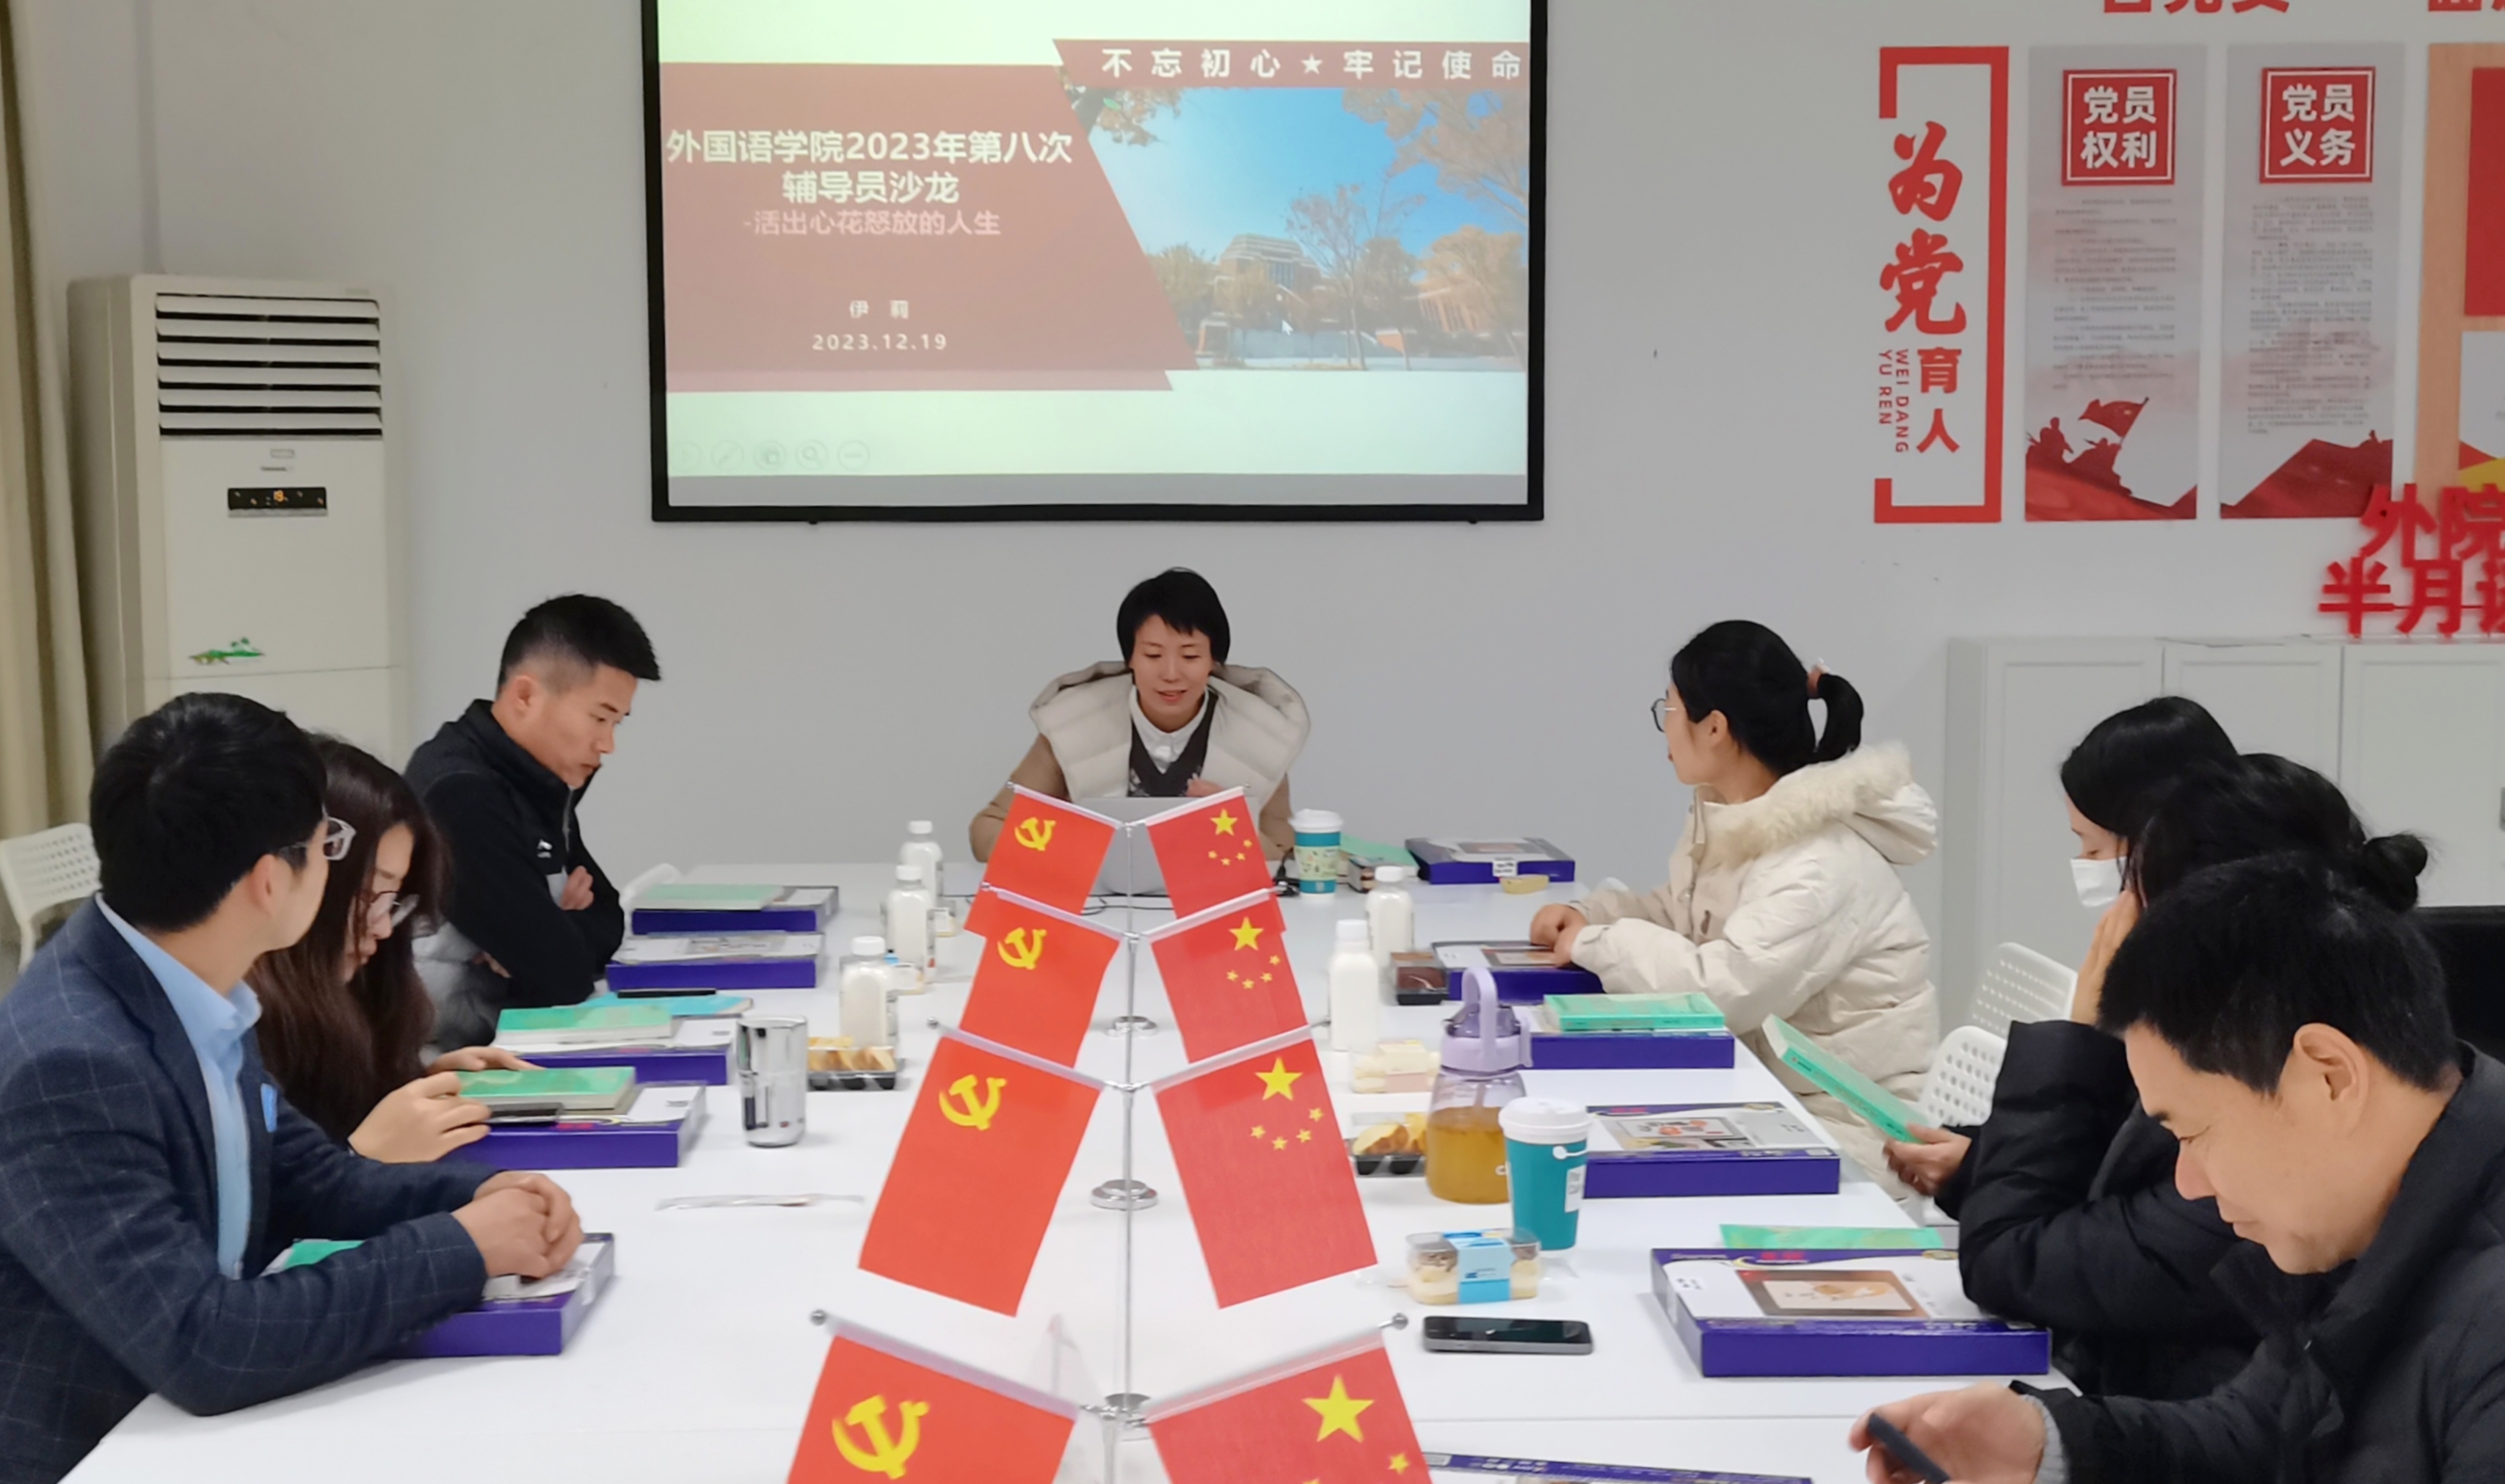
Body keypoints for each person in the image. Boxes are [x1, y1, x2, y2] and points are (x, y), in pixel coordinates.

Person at [0, 693, 583, 1484]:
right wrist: (464, 1247)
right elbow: (201, 1344)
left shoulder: (187, 978)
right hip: (103, 1450)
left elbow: (310, 1179)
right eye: (327, 841)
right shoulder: (72, 1062)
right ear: (271, 882)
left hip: (189, 1428)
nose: (334, 862)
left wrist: (482, 1193)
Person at [1853, 853, 2505, 1484]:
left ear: (2328, 1077)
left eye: (2193, 1135)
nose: (2190, 1184)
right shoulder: (2359, 1216)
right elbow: (2257, 1433)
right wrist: (2052, 1445)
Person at [1897, 756, 2424, 1402]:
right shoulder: (2246, 1062)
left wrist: (2082, 1032)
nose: (2117, 917)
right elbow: (2109, 1196)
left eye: (2131, 884)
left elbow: (2012, 1260)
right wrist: (1982, 1167)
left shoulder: (2268, 1128)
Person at [1527, 620, 1938, 1191]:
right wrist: (1592, 916)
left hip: (1850, 1134)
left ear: (1715, 727)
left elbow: (1723, 990)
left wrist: (1598, 944)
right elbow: (1683, 916)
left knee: (1600, 1175)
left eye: (1670, 711)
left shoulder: (1815, 860)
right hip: (1765, 1092)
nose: (1666, 728)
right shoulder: (1740, 817)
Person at [1888, 696, 2236, 1214]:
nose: (2083, 866)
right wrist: (1980, 1163)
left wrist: (2081, 1037)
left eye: (2094, 850)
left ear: (2159, 844)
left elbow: (2065, 1226)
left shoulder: (2202, 1016)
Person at [249, 737, 533, 1163]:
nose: (382, 928)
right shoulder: (238, 1027)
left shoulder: (351, 1000)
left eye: (394, 902)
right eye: (369, 896)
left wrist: (412, 1087)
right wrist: (362, 1156)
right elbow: (259, 1196)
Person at [407, 594, 660, 1047]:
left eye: (617, 723)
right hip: (445, 1056)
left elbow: (607, 918)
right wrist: (550, 931)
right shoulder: (461, 793)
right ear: (526, 695)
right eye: (599, 718)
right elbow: (561, 974)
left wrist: (549, 929)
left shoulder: (537, 776)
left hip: (507, 1036)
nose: (608, 744)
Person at [970, 567, 1309, 862]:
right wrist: (1060, 845)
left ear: (1214, 662)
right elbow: (989, 827)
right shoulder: (1073, 724)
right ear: (1129, 658)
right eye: (1153, 655)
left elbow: (1285, 858)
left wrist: (1234, 828)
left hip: (1213, 910)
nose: (1171, 674)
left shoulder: (1261, 733)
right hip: (1099, 908)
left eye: (1190, 657)